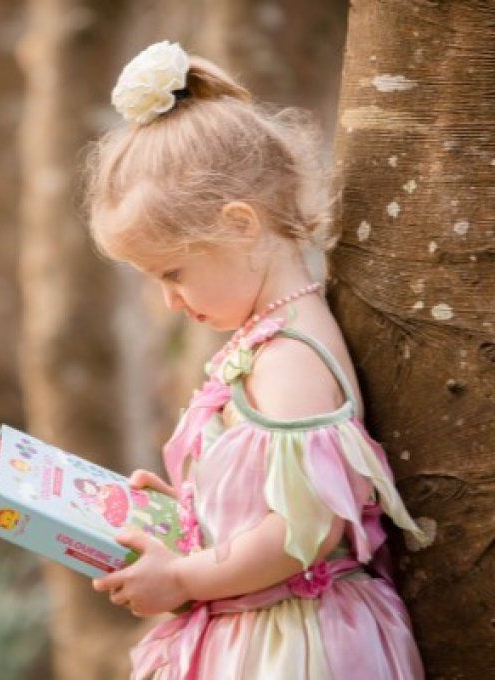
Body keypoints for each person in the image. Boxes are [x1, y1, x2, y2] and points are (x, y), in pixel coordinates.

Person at [83, 39, 431, 680]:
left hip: (292, 647)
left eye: (174, 272)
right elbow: (269, 496)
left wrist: (182, 576)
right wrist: (192, 514)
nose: (170, 300)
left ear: (240, 224)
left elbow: (304, 529)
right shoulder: (271, 336)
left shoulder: (288, 358)